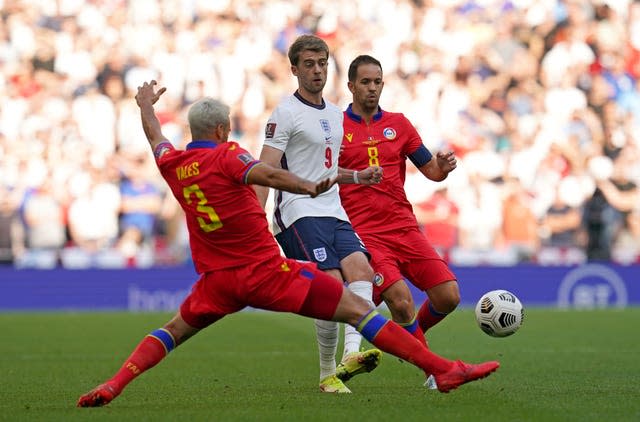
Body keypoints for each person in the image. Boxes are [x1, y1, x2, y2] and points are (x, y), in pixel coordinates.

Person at [76, 81, 499, 407]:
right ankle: (442, 370)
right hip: (265, 274)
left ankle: (114, 384)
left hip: (216, 282)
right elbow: (270, 175)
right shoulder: (229, 155)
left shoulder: (173, 163)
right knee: (358, 310)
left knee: (170, 331)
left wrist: (146, 107)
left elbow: (155, 138)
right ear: (223, 130)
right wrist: (307, 185)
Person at [255, 35, 384, 393]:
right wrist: (257, 219)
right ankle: (327, 374)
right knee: (328, 285)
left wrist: (357, 176)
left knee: (362, 272)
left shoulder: (334, 114)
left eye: (322, 64)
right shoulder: (285, 112)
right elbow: (265, 169)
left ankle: (349, 359)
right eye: (309, 65)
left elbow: (327, 168)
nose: (317, 71)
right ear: (295, 70)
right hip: (297, 210)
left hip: (333, 208)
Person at [338, 55, 463, 389]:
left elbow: (432, 172)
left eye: (377, 81)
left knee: (448, 296)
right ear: (351, 86)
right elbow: (320, 175)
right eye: (365, 82)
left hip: (405, 228)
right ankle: (434, 371)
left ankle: (406, 339)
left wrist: (442, 165)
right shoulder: (335, 128)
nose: (372, 88)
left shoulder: (400, 124)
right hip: (364, 235)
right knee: (401, 301)